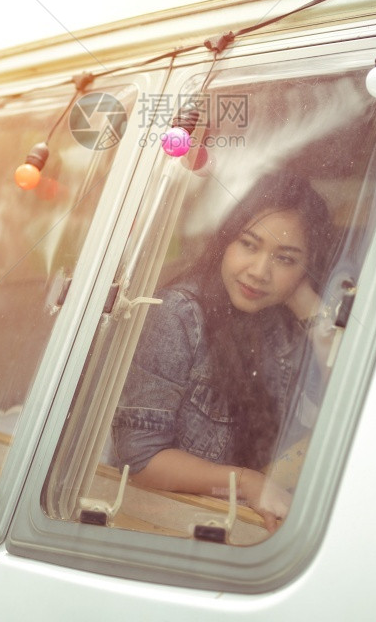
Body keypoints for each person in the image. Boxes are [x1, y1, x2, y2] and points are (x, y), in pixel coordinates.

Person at [111, 170, 334, 533]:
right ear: (226, 242)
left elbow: (353, 397)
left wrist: (306, 303)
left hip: (240, 525)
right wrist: (246, 484)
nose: (259, 271)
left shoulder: (284, 321)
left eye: (285, 259)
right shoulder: (177, 315)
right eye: (249, 244)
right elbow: (140, 461)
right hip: (158, 522)